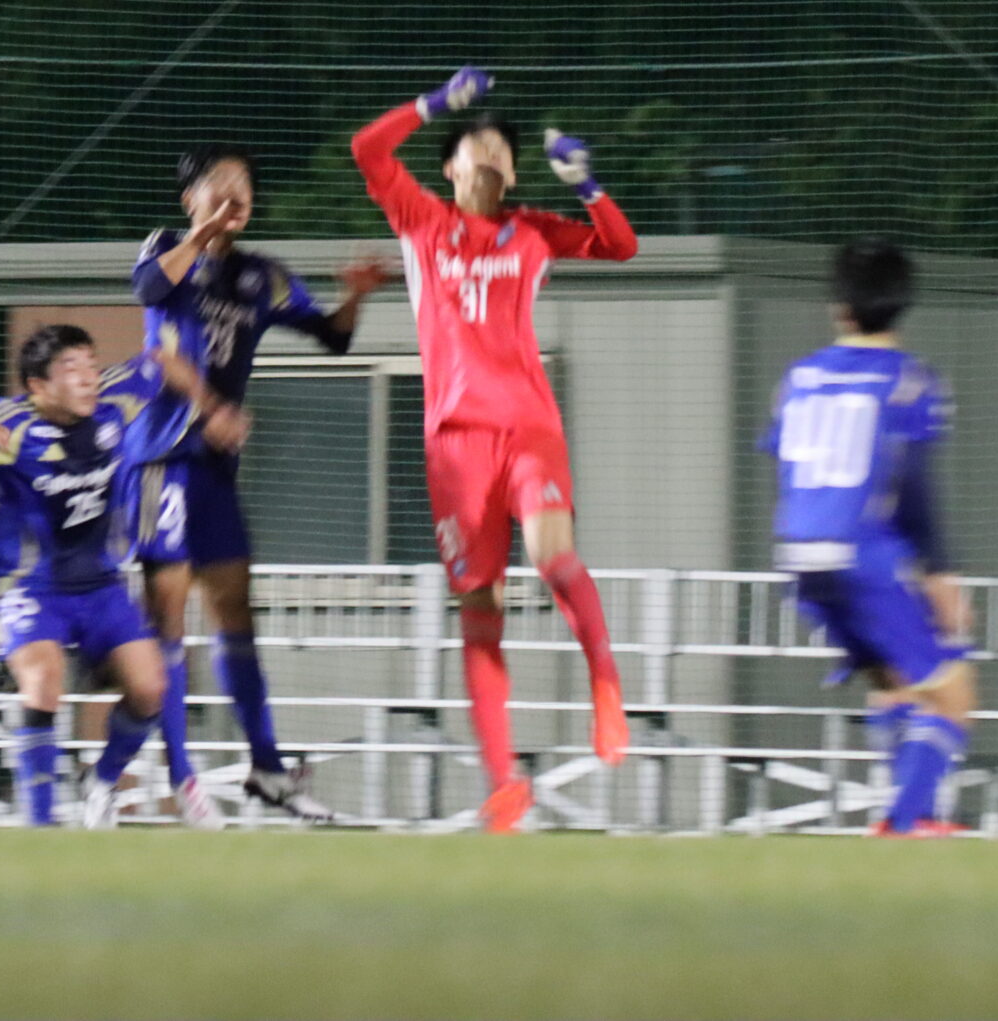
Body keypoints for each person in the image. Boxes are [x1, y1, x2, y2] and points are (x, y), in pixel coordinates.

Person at [350, 67, 635, 833]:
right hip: (455, 444)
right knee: (480, 606)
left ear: (513, 172)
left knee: (552, 553)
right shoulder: (420, 219)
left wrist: (586, 184)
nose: (490, 150)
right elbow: (367, 149)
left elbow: (620, 245)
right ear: (449, 167)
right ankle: (503, 780)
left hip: (528, 427)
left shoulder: (533, 230)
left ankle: (605, 682)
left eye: (502, 147)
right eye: (475, 141)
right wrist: (433, 104)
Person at [120, 146, 382, 826]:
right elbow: (148, 296)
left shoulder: (262, 277)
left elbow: (332, 337)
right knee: (168, 617)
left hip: (213, 468)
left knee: (234, 610)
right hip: (159, 458)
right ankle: (178, 778)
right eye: (221, 184)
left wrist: (355, 296)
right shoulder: (167, 249)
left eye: (245, 186)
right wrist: (201, 236)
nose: (236, 194)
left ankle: (267, 768)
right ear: (190, 199)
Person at [0, 326, 194, 827]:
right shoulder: (9, 425)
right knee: (42, 684)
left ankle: (100, 781)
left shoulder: (116, 395)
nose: (88, 377)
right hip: (30, 588)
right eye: (71, 368)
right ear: (38, 386)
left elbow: (163, 359)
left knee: (150, 690)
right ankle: (40, 828)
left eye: (91, 364)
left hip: (101, 585)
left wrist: (213, 407)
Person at [761, 239, 974, 837]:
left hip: (799, 552)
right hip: (861, 554)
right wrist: (940, 576)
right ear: (904, 303)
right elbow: (914, 492)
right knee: (955, 692)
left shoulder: (798, 378)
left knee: (892, 680)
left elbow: (787, 464)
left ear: (839, 307)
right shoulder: (910, 382)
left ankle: (910, 813)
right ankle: (906, 821)